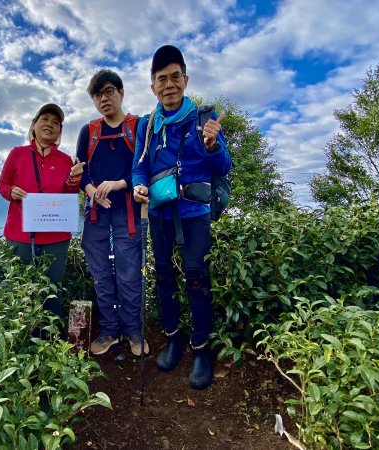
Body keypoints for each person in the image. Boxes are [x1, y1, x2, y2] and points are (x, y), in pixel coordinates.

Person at [132, 45, 232, 389]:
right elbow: (139, 168)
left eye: (175, 76)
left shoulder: (205, 118)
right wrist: (139, 187)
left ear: (185, 80)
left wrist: (212, 146)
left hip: (194, 213)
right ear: (153, 87)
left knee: (197, 278)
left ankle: (201, 348)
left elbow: (223, 168)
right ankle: (173, 338)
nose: (169, 84)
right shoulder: (147, 126)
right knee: (163, 277)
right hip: (160, 213)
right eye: (162, 79)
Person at [76, 69, 148, 357]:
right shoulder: (89, 131)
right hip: (96, 214)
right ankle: (109, 331)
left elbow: (146, 168)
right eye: (97, 95)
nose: (103, 99)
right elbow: (81, 174)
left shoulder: (138, 126)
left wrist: (120, 184)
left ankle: (133, 330)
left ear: (121, 92)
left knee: (130, 275)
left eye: (108, 92)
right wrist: (93, 192)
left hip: (128, 212)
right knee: (100, 273)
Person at [0, 103, 85, 319]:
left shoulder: (66, 160)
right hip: (20, 235)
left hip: (56, 236)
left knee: (53, 289)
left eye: (56, 123)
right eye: (44, 119)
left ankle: (51, 338)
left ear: (59, 132)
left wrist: (74, 179)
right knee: (22, 288)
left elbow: (69, 196)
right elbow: (2, 184)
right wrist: (11, 191)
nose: (50, 124)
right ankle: (24, 335)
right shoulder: (17, 154)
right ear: (34, 125)